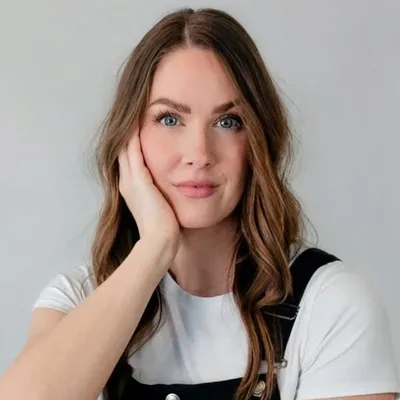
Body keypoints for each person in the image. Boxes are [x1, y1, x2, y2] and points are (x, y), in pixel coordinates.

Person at [0, 7, 399, 400]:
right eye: (169, 119)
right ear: (129, 141)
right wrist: (155, 247)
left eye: (228, 122)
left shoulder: (329, 304)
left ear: (259, 142)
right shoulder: (80, 296)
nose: (199, 154)